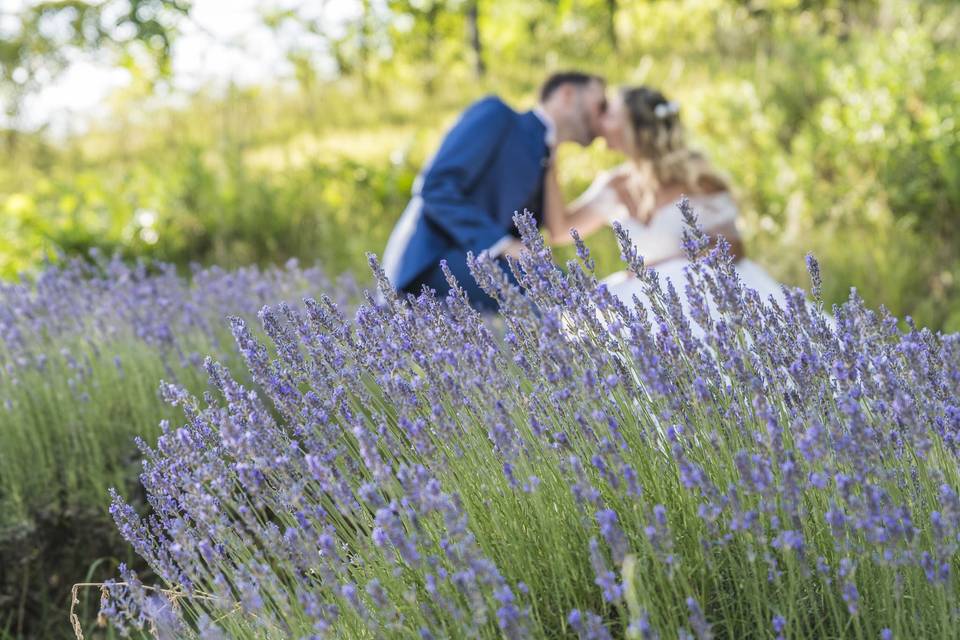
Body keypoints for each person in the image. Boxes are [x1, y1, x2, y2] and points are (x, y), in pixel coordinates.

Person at [381, 71, 616, 311]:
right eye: (601, 105)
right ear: (567, 94)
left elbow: (554, 229)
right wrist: (503, 245)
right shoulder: (498, 115)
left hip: (476, 265)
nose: (603, 116)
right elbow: (434, 187)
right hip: (431, 263)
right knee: (560, 289)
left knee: (565, 289)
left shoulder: (546, 157)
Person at [543, 85, 788, 313]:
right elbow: (560, 230)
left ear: (631, 126)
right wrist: (549, 157)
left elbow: (734, 248)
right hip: (647, 299)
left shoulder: (697, 179)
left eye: (608, 113)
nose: (599, 122)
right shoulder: (614, 186)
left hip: (705, 295)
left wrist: (662, 270)